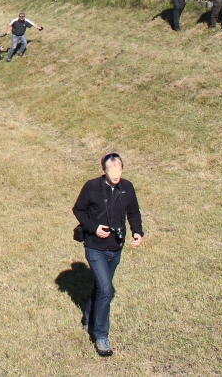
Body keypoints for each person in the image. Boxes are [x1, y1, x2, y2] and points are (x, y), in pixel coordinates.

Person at [72, 153, 144, 357]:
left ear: (122, 169)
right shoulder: (92, 187)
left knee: (100, 288)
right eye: (111, 170)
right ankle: (101, 335)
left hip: (115, 248)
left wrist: (137, 232)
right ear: (104, 170)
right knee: (106, 290)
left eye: (118, 169)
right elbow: (78, 210)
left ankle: (88, 318)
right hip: (95, 247)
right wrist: (94, 228)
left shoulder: (127, 187)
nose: (115, 174)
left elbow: (134, 212)